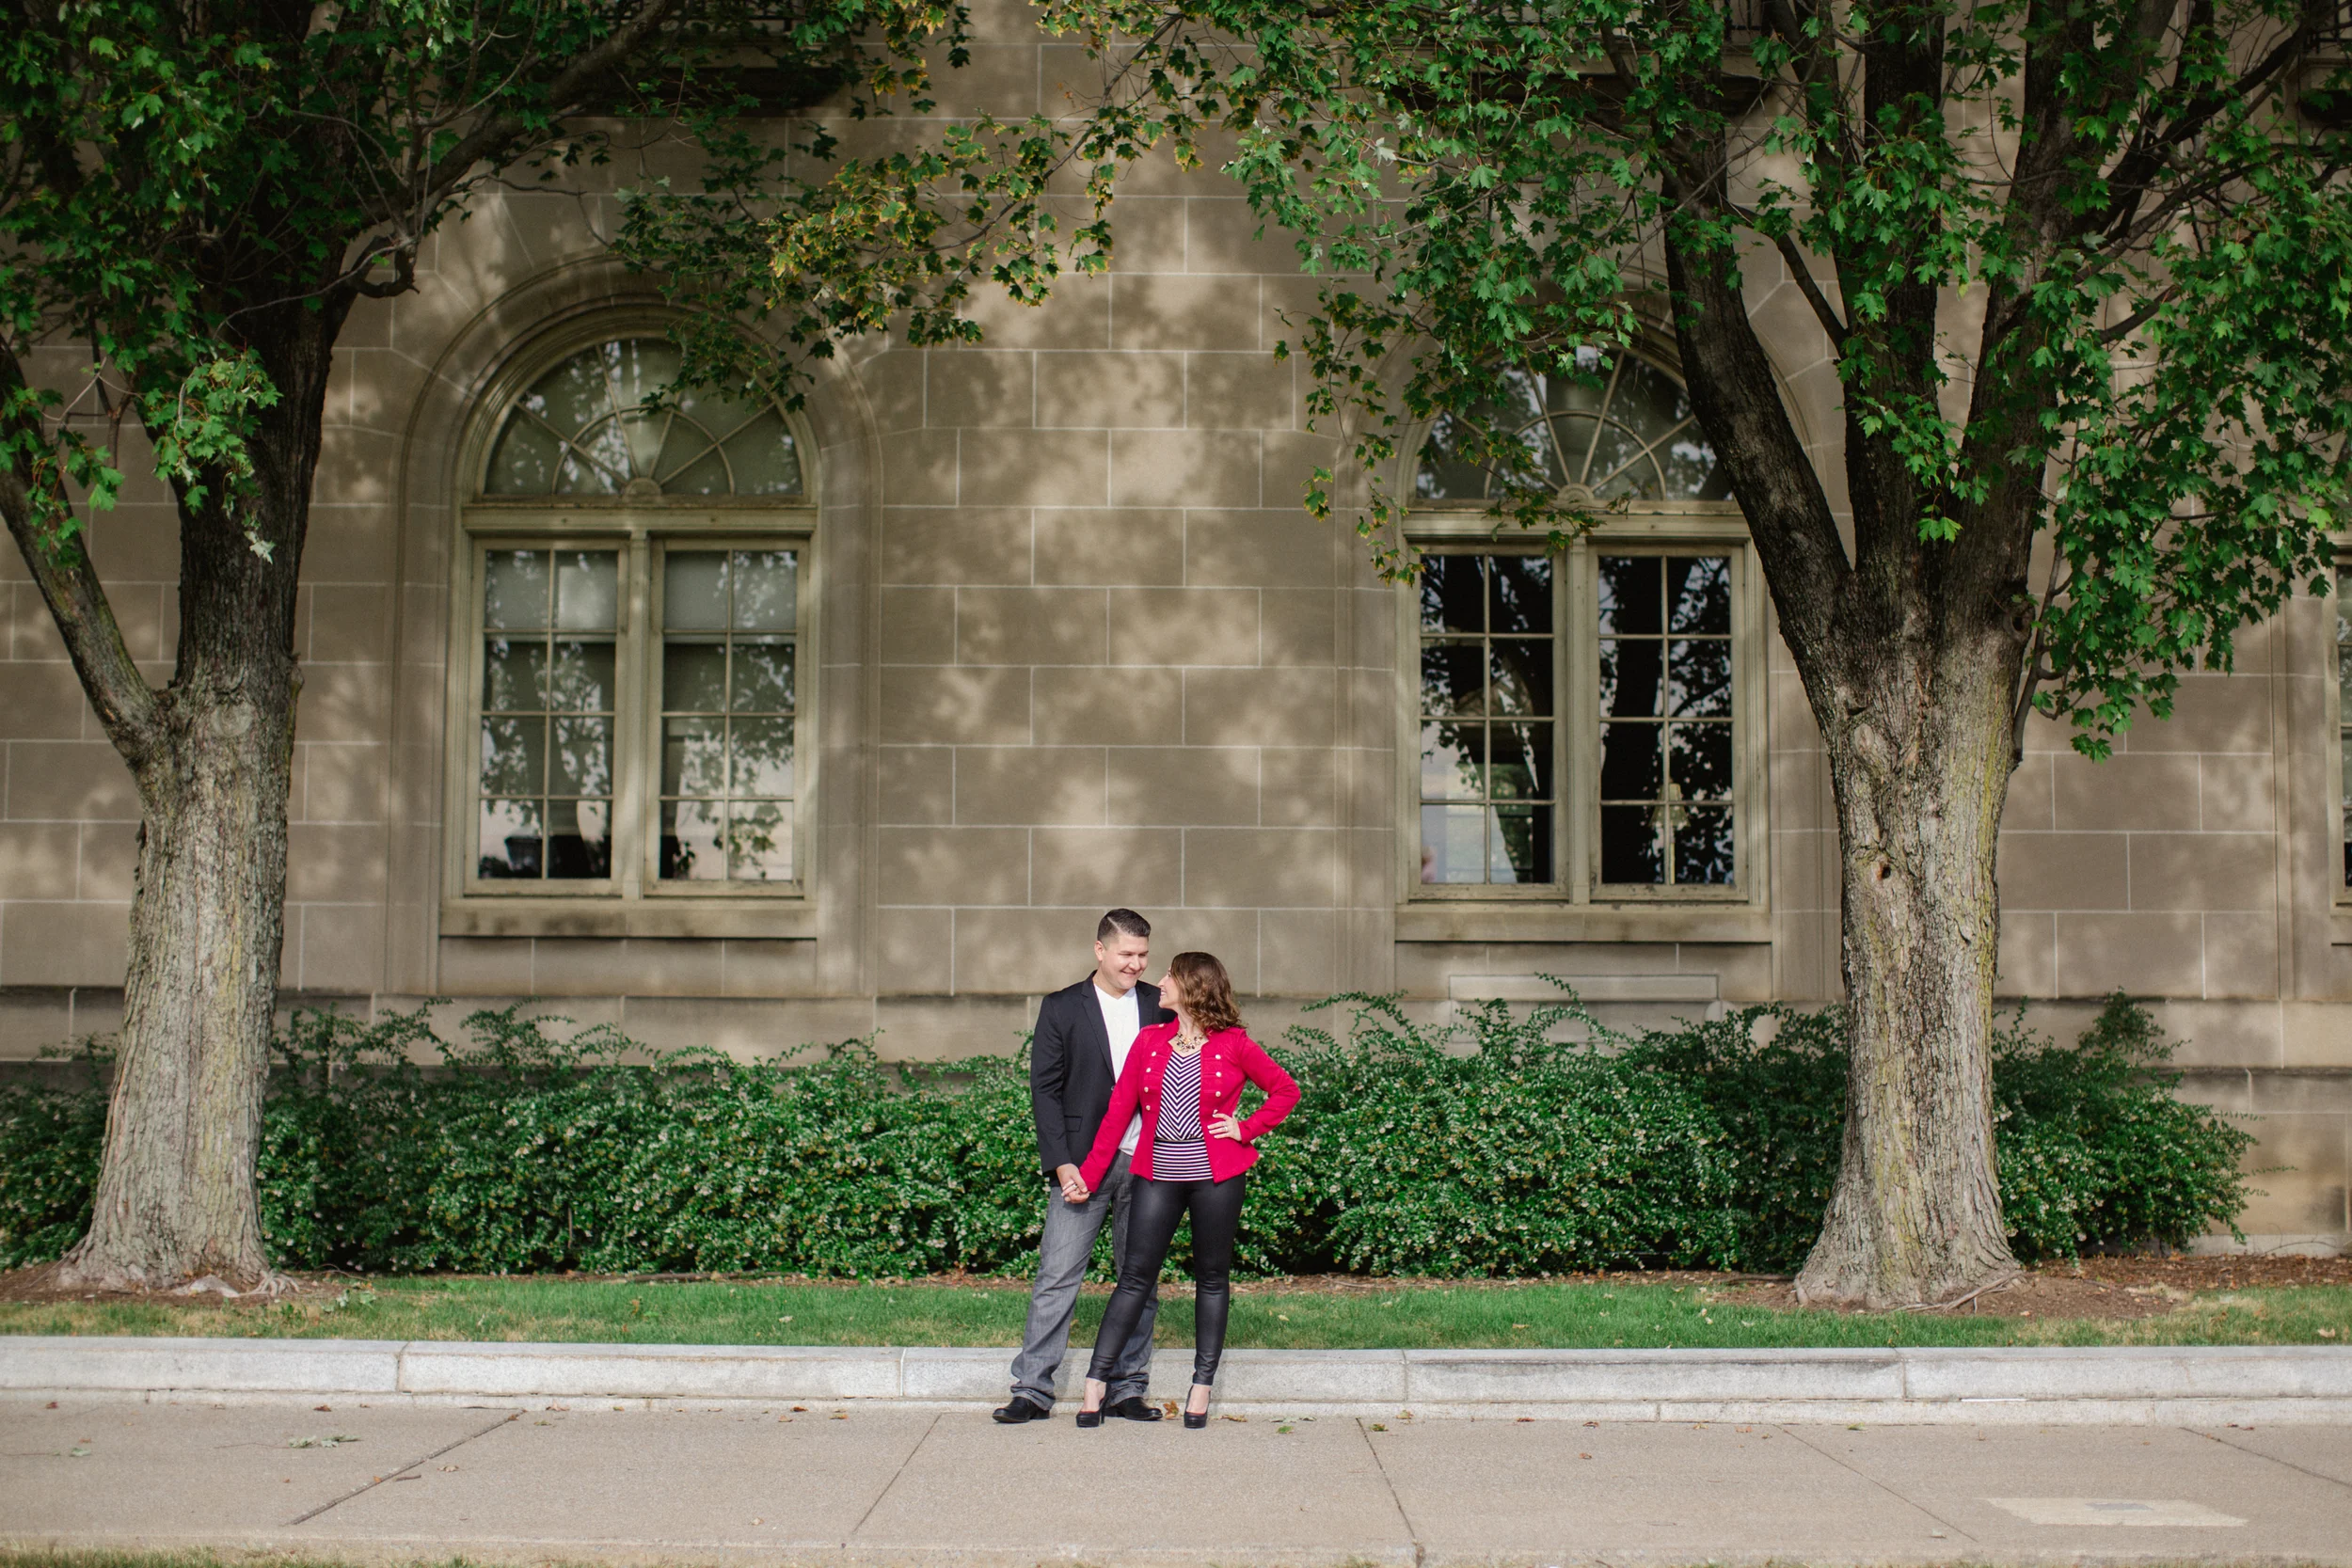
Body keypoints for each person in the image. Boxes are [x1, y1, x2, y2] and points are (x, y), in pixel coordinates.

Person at [1066, 950, 1300, 1429]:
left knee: (1212, 1279)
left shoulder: (1234, 1043)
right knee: (1134, 1277)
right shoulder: (1150, 1041)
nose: (1161, 981)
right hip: (1158, 1177)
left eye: (1170, 975)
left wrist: (1246, 1128)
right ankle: (1095, 1384)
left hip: (1217, 1178)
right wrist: (1089, 1178)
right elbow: (1116, 1118)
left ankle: (1201, 1387)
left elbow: (1285, 1090)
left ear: (1192, 987)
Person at [993, 910, 1171, 1425]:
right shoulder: (1062, 1007)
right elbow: (1045, 1091)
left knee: (1139, 1277)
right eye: (1126, 955)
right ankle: (1032, 1390)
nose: (1136, 965)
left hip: (1150, 1163)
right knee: (1057, 1275)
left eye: (1143, 955)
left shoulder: (1158, 1006)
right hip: (1083, 1166)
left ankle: (1127, 1389)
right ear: (1100, 950)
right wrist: (1061, 1162)